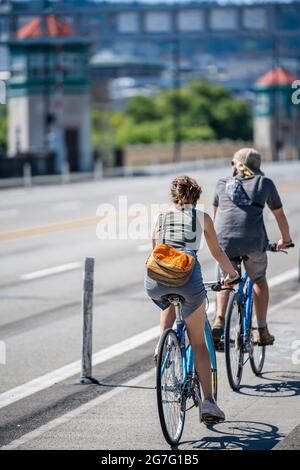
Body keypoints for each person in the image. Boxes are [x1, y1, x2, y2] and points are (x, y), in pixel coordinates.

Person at [144, 175, 239, 423]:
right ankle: (208, 402)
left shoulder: (160, 217)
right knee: (199, 343)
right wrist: (232, 274)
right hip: (187, 278)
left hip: (154, 281)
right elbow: (217, 252)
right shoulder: (203, 217)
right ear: (197, 196)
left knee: (168, 298)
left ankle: (162, 345)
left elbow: (156, 249)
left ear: (172, 195)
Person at [212, 148, 293, 346]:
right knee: (258, 279)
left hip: (224, 243)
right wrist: (286, 239)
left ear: (235, 165)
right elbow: (279, 215)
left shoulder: (221, 184)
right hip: (253, 243)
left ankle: (219, 322)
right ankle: (262, 330)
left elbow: (216, 219)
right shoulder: (264, 183)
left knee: (227, 280)